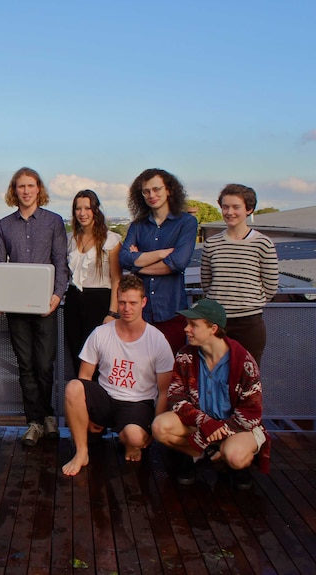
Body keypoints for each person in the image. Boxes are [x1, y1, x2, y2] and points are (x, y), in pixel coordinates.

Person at [61, 275, 174, 476]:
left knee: (134, 437)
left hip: (137, 403)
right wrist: (87, 417)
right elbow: (84, 377)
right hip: (105, 398)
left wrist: (154, 430)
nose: (127, 308)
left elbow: (164, 391)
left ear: (143, 302)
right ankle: (81, 452)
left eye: (133, 303)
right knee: (73, 387)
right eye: (122, 302)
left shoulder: (157, 340)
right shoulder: (101, 333)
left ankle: (130, 442)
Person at [152, 299, 270, 489]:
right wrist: (204, 423)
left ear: (213, 329)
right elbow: (176, 397)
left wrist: (214, 432)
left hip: (237, 428)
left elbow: (251, 413)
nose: (186, 329)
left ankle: (229, 461)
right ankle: (196, 455)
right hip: (201, 424)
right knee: (160, 427)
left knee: (236, 456)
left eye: (193, 325)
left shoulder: (243, 362)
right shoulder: (185, 355)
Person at [0, 167, 67, 447]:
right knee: (25, 366)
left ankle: (49, 416)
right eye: (20, 186)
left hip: (45, 306)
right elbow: (0, 265)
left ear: (39, 189)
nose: (25, 191)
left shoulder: (54, 222)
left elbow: (61, 262)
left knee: (44, 365)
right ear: (14, 191)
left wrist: (58, 295)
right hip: (15, 308)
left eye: (30, 185)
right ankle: (34, 422)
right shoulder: (4, 225)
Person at [119, 168, 198, 352]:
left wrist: (137, 265)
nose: (151, 195)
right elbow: (123, 258)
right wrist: (162, 254)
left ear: (169, 189)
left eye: (157, 189)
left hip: (172, 312)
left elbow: (178, 262)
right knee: (140, 372)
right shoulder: (138, 225)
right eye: (146, 191)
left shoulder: (186, 223)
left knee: (171, 373)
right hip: (141, 315)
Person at [200, 184, 278, 367]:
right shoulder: (212, 244)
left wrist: (248, 303)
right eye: (225, 207)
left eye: (236, 207)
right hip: (216, 324)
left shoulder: (263, 244)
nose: (229, 212)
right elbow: (206, 282)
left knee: (247, 380)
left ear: (249, 209)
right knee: (215, 376)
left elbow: (271, 285)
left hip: (249, 324)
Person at [64, 189, 122, 371]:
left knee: (98, 359)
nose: (82, 213)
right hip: (74, 300)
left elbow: (117, 279)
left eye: (87, 208)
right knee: (76, 355)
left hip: (100, 301)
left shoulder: (111, 240)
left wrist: (112, 313)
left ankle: (97, 399)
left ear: (96, 210)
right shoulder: (70, 239)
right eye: (78, 209)